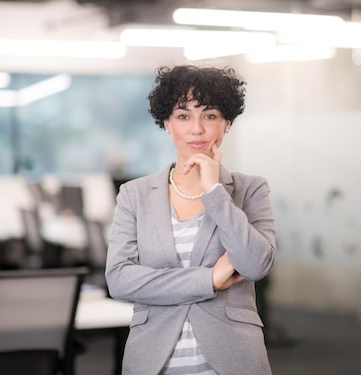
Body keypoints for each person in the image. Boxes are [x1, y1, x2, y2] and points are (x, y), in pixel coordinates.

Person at [105, 65, 277, 375]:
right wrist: (208, 279)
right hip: (154, 361)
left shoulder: (250, 189)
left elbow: (255, 264)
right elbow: (119, 279)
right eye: (183, 116)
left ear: (226, 124)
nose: (197, 129)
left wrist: (214, 191)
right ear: (167, 124)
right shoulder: (135, 194)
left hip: (232, 361)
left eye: (209, 116)